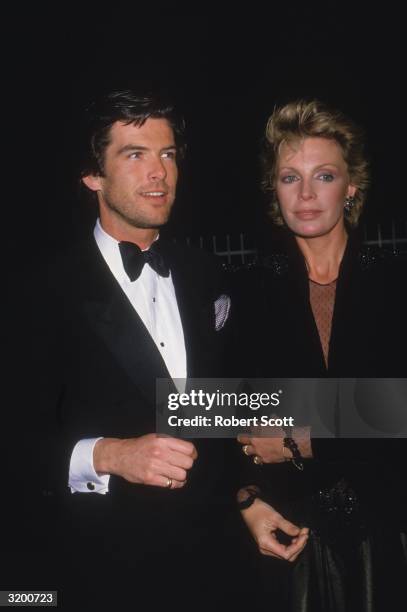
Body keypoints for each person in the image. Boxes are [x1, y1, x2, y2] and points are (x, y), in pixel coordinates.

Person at [15, 90, 245, 610]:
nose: (159, 172)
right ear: (92, 175)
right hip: (103, 575)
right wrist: (109, 454)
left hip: (218, 568)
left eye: (167, 154)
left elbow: (214, 412)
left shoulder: (206, 274)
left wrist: (248, 500)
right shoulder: (40, 293)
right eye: (135, 154)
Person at [234, 99, 407, 611]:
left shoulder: (396, 287)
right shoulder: (243, 296)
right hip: (290, 542)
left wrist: (303, 438)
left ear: (351, 185)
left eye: (324, 175)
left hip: (393, 535)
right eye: (290, 178)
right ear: (274, 189)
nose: (306, 194)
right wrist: (243, 500)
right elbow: (218, 412)